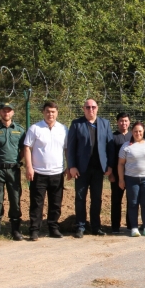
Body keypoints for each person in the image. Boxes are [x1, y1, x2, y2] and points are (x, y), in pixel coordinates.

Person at [67, 99, 115, 238]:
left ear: (97, 108)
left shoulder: (105, 124)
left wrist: (110, 165)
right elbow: (71, 147)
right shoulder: (77, 124)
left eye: (93, 107)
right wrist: (72, 166)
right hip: (81, 169)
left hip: (99, 169)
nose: (90, 109)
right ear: (84, 109)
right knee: (80, 198)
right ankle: (81, 226)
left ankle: (96, 227)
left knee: (97, 198)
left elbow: (110, 146)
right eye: (88, 107)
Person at [23, 101, 68, 241]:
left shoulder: (63, 129)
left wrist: (69, 166)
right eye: (48, 111)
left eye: (53, 111)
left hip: (57, 173)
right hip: (39, 173)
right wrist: (29, 167)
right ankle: (34, 230)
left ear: (57, 113)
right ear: (43, 112)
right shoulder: (35, 128)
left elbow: (67, 149)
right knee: (37, 203)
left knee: (56, 203)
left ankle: (53, 228)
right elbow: (26, 148)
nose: (51, 114)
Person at [0, 102, 26, 241]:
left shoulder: (19, 130)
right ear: (0, 113)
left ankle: (15, 230)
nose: (6, 113)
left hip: (13, 169)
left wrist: (16, 161)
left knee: (15, 199)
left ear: (12, 113)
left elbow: (24, 150)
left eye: (9, 111)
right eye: (4, 111)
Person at [118, 122, 145, 237]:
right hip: (131, 179)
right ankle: (134, 228)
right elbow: (121, 164)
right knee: (133, 203)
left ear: (143, 131)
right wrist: (121, 179)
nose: (138, 133)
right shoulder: (126, 146)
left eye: (140, 131)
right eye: (135, 131)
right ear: (132, 132)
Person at [108, 112, 131, 234]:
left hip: (132, 174)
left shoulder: (133, 136)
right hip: (116, 175)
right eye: (121, 121)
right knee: (116, 201)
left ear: (129, 122)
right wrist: (111, 174)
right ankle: (115, 227)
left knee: (131, 200)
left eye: (126, 121)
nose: (124, 123)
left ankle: (130, 225)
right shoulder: (112, 137)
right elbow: (110, 156)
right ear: (117, 122)